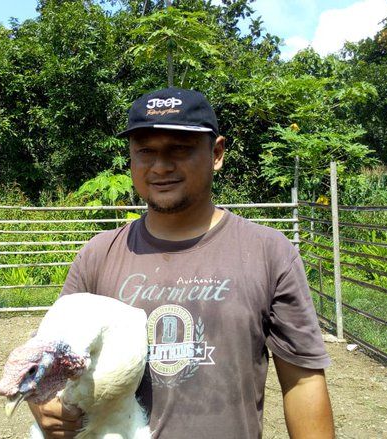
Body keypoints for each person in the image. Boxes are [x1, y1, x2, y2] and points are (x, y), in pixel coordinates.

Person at [28, 87, 335, 438]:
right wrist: (41, 403)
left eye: (180, 149)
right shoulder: (97, 256)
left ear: (216, 153)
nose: (160, 166)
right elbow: (46, 358)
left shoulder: (268, 252)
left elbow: (302, 380)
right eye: (145, 151)